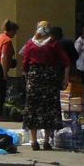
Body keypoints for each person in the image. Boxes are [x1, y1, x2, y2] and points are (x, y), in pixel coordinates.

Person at [21, 23, 70, 151]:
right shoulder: (53, 44)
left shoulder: (30, 45)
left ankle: (34, 141)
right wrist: (65, 79)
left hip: (34, 79)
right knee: (50, 109)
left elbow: (25, 66)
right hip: (50, 80)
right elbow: (66, 62)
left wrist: (27, 82)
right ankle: (47, 141)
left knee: (33, 109)